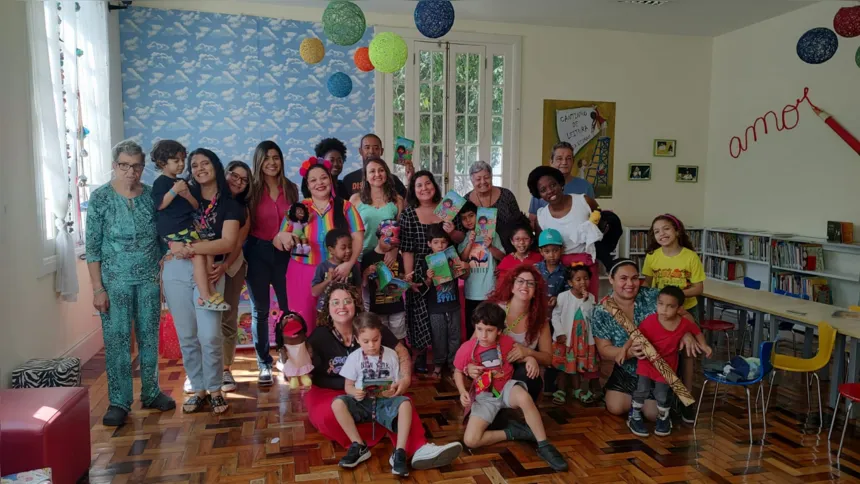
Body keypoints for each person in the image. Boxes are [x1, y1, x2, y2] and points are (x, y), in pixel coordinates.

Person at [304, 283, 463, 470]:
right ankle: (359, 445)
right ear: (327, 307)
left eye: (347, 301)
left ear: (356, 304)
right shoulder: (319, 335)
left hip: (379, 391)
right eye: (335, 302)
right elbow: (305, 370)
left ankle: (417, 448)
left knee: (403, 402)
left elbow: (402, 352)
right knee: (330, 412)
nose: (342, 307)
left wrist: (404, 380)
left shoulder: (372, 328)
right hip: (335, 390)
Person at [86, 140, 175, 426]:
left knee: (150, 338)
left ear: (142, 167)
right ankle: (119, 402)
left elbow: (163, 238)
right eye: (125, 165)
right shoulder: (100, 199)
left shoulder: (152, 196)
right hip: (115, 284)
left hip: (148, 280)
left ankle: (151, 392)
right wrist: (98, 289)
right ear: (115, 166)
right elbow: (93, 248)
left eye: (137, 166)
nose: (131, 172)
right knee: (117, 342)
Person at [163, 148, 245, 415]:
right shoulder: (182, 195)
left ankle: (215, 388)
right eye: (194, 165)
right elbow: (162, 224)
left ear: (216, 166)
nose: (199, 168)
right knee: (187, 335)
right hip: (176, 270)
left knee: (210, 335)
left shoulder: (230, 204)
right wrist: (172, 244)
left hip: (208, 272)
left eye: (205, 163)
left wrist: (193, 247)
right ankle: (198, 388)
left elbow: (228, 242)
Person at [454, 303, 568, 472]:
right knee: (471, 440)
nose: (483, 335)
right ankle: (514, 432)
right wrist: (462, 391)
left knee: (524, 397)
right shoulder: (467, 348)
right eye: (479, 329)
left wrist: (530, 359)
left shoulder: (506, 342)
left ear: (499, 330)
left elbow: (522, 355)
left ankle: (544, 445)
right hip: (484, 397)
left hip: (506, 387)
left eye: (489, 330)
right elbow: (457, 371)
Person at [591, 259, 702, 421]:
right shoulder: (602, 310)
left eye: (635, 278)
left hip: (661, 367)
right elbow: (604, 349)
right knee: (616, 407)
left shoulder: (654, 296)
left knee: (653, 415)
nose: (630, 283)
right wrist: (628, 352)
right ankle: (637, 402)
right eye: (623, 278)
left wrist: (685, 333)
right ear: (611, 279)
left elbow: (685, 315)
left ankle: (685, 398)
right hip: (628, 368)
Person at [277, 158, 364, 326]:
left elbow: (358, 238)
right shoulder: (298, 208)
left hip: (340, 271)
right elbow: (278, 240)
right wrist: (282, 236)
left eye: (323, 177)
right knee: (303, 321)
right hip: (302, 272)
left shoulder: (345, 207)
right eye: (313, 180)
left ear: (330, 180)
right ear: (307, 185)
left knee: (341, 320)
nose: (319, 183)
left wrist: (349, 265)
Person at [245, 140, 299, 385]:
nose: (272, 162)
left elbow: (299, 222)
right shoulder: (251, 191)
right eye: (266, 158)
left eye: (276, 157)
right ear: (258, 161)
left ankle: (288, 355)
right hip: (257, 252)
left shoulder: (291, 188)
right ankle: (263, 363)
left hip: (286, 255)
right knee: (261, 310)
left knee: (290, 309)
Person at [641, 213, 706, 419]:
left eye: (666, 229)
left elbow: (698, 288)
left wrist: (674, 297)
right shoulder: (652, 256)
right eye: (657, 231)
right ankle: (663, 394)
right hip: (661, 313)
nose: (662, 234)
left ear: (677, 231)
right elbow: (648, 284)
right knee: (664, 352)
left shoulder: (690, 256)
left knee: (687, 354)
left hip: (686, 311)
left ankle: (686, 397)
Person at [333, 313, 414, 476]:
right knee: (337, 403)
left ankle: (399, 452)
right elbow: (347, 386)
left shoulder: (391, 355)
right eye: (366, 341)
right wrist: (354, 392)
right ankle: (359, 445)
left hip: (385, 402)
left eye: (375, 340)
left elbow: (396, 381)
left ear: (381, 336)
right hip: (362, 403)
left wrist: (393, 389)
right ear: (357, 339)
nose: (371, 345)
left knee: (406, 404)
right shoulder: (354, 358)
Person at [151, 140, 226, 311]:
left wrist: (185, 194)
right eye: (176, 161)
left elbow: (194, 206)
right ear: (163, 163)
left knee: (207, 248)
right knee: (199, 256)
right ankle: (204, 296)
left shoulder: (185, 184)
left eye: (182, 160)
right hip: (174, 231)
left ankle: (208, 288)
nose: (180, 164)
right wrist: (174, 191)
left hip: (188, 229)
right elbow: (160, 205)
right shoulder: (161, 183)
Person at [628, 286, 711, 437]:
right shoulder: (650, 320)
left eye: (670, 306)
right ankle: (634, 415)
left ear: (680, 308)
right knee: (642, 390)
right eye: (660, 304)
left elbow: (696, 331)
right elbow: (635, 335)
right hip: (646, 364)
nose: (664, 310)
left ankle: (663, 418)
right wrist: (623, 351)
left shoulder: (683, 323)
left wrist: (704, 345)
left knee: (662, 394)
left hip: (667, 367)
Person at [400, 171, 459, 373]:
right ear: (413, 190)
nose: (424, 188)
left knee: (445, 314)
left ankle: (447, 359)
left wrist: (452, 232)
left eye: (428, 183)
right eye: (419, 185)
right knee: (420, 313)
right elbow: (406, 248)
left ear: (435, 185)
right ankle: (421, 354)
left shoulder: (446, 209)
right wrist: (409, 278)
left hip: (446, 269)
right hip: (419, 269)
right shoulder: (409, 213)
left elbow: (459, 238)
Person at [465, 265, 552, 401]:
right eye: (520, 281)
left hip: (521, 369)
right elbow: (471, 345)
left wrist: (529, 354)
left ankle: (521, 411)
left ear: (535, 291)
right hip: (492, 367)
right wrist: (469, 366)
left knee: (529, 372)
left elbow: (548, 359)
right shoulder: (495, 310)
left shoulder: (541, 320)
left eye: (530, 283)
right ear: (512, 287)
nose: (525, 286)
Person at [529, 165, 602, 298]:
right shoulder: (541, 217)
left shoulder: (584, 201)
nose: (550, 191)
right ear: (539, 195)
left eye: (553, 185)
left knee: (587, 308)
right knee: (561, 311)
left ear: (560, 183)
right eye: (543, 190)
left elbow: (600, 218)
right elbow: (542, 249)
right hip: (558, 271)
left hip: (585, 267)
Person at [217, 160, 252, 392]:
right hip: (205, 266)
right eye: (234, 176)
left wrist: (225, 265)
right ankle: (202, 371)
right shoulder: (209, 201)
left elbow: (238, 243)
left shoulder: (243, 209)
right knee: (204, 320)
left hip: (232, 265)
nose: (238, 182)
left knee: (227, 317)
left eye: (244, 179)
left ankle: (225, 370)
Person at [550, 264, 599, 406]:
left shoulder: (590, 298)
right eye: (578, 279)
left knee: (577, 365)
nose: (583, 282)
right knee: (563, 366)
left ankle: (577, 390)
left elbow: (591, 316)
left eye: (585, 278)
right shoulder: (563, 296)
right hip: (566, 339)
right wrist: (559, 332)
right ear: (570, 282)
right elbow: (555, 315)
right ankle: (561, 390)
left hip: (582, 340)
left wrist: (585, 301)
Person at [424, 224, 468, 379]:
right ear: (429, 243)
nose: (440, 246)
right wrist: (429, 277)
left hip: (453, 305)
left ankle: (453, 364)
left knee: (455, 335)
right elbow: (425, 286)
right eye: (436, 242)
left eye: (443, 242)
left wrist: (460, 268)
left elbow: (463, 276)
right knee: (438, 336)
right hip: (435, 307)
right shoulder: (427, 261)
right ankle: (438, 365)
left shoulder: (452, 257)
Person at [458, 200, 505, 337]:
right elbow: (462, 260)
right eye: (464, 218)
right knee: (472, 327)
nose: (468, 220)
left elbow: (502, 257)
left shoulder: (492, 234)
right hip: (472, 291)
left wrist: (490, 246)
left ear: (478, 216)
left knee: (491, 327)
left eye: (471, 216)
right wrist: (469, 243)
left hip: (490, 290)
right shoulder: (465, 237)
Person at [461, 161, 529, 254]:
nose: (483, 182)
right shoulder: (465, 201)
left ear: (491, 177)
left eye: (486, 177)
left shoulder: (506, 195)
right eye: (478, 179)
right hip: (481, 255)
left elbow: (519, 222)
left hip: (509, 249)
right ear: (472, 181)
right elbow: (462, 231)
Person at [528, 141, 595, 230]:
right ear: (551, 161)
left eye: (568, 158)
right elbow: (533, 220)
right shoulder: (540, 189)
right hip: (550, 242)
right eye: (559, 158)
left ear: (573, 162)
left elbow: (594, 215)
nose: (564, 162)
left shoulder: (586, 187)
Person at [348, 155, 404, 262]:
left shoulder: (397, 200)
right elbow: (348, 230)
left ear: (386, 174)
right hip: (360, 257)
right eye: (372, 171)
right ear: (366, 176)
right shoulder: (355, 200)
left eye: (381, 170)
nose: (377, 174)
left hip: (387, 258)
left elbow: (401, 231)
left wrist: (394, 250)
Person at [361, 221, 408, 342]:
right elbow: (364, 285)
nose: (390, 246)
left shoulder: (397, 256)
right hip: (377, 308)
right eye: (388, 242)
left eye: (394, 244)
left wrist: (405, 280)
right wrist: (366, 272)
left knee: (399, 338)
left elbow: (402, 275)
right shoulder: (368, 257)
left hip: (396, 306)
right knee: (381, 338)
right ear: (379, 237)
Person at [341, 134, 410, 198]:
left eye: (376, 148)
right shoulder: (349, 179)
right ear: (360, 151)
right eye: (367, 148)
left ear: (381, 151)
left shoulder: (393, 180)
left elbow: (407, 202)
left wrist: (410, 178)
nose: (371, 151)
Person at [311, 228, 362, 302]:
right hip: (326, 310)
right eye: (343, 248)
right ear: (331, 250)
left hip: (348, 308)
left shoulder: (353, 267)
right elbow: (314, 292)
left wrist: (359, 303)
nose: (348, 251)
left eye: (350, 247)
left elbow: (358, 288)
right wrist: (328, 281)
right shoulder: (322, 267)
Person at [535, 228, 568, 313]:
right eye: (547, 251)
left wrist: (558, 298)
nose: (552, 255)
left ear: (562, 250)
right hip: (537, 312)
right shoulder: (535, 268)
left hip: (557, 313)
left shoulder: (566, 271)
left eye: (555, 250)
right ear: (541, 252)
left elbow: (568, 293)